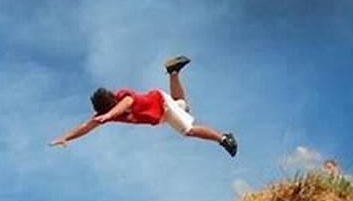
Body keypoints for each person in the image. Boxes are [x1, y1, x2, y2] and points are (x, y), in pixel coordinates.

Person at [49, 56, 238, 157]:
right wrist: (66, 137)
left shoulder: (121, 96)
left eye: (111, 109)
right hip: (161, 115)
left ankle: (223, 138)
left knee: (187, 130)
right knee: (183, 106)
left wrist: (108, 116)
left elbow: (127, 103)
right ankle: (173, 73)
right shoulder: (106, 113)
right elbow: (86, 127)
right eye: (108, 112)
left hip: (161, 103)